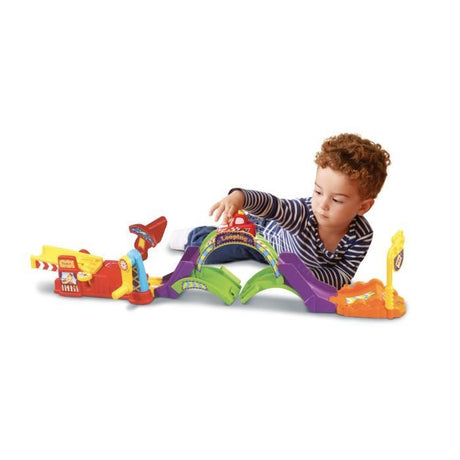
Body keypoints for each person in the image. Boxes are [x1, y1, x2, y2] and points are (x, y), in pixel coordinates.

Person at [169, 133, 391, 289]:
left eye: (337, 200)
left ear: (363, 206)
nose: (322, 204)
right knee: (217, 250)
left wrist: (303, 276)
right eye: (318, 191)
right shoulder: (303, 214)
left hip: (283, 263)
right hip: (261, 237)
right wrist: (240, 197)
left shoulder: (361, 235)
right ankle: (191, 236)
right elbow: (273, 206)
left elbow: (343, 275)